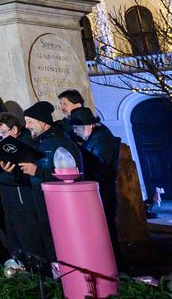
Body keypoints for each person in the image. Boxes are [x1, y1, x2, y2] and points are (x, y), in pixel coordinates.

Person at [0, 113, 46, 271]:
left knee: (30, 244)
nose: (1, 136)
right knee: (15, 243)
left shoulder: (24, 146)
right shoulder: (4, 144)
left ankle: (39, 277)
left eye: (4, 132)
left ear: (14, 129)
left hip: (23, 202)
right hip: (8, 203)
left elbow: (21, 178)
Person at [17, 101, 80, 265]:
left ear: (43, 123)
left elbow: (72, 176)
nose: (26, 125)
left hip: (59, 206)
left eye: (30, 121)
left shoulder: (60, 142)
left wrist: (37, 171)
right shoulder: (36, 142)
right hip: (41, 202)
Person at [68, 108, 121, 263]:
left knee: (107, 232)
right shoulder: (93, 138)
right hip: (99, 191)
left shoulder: (102, 140)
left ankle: (116, 267)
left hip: (104, 192)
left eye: (77, 128)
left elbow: (99, 167)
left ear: (89, 124)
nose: (76, 132)